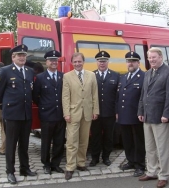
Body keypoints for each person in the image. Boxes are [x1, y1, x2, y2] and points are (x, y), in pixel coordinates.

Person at [0, 44, 37, 184]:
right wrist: (4, 108)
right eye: (19, 55)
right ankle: (10, 172)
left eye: (24, 55)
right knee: (11, 145)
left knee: (24, 144)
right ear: (13, 57)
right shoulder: (5, 71)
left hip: (26, 114)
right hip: (12, 114)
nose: (22, 57)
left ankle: (24, 168)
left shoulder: (30, 71)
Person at [137, 47, 169, 188]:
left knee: (163, 148)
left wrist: (167, 114)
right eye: (149, 58)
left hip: (161, 117)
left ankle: (164, 175)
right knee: (150, 148)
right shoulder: (148, 73)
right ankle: (152, 171)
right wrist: (140, 111)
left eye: (154, 57)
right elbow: (144, 94)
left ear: (161, 57)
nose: (152, 60)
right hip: (147, 116)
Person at [62, 52, 99, 180]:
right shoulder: (67, 76)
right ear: (72, 63)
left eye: (79, 61)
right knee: (72, 141)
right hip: (73, 113)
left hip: (88, 113)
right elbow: (65, 97)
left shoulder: (92, 75)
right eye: (75, 62)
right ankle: (70, 167)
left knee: (84, 140)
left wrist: (96, 110)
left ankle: (81, 163)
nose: (77, 64)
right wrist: (66, 113)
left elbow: (95, 94)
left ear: (83, 62)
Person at [33, 50, 66, 174]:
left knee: (59, 142)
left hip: (60, 114)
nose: (53, 62)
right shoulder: (40, 77)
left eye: (55, 60)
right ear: (46, 62)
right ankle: (46, 164)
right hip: (47, 115)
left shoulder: (62, 76)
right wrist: (44, 106)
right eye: (51, 60)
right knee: (46, 142)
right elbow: (35, 96)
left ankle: (56, 164)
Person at [116, 51, 145, 177]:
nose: (130, 63)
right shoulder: (123, 77)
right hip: (123, 115)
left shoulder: (144, 77)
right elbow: (118, 96)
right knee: (127, 141)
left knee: (138, 141)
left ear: (138, 63)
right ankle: (131, 161)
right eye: (128, 61)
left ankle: (140, 165)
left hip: (136, 115)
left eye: (133, 61)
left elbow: (143, 97)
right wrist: (117, 111)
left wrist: (141, 112)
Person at [89, 51, 120, 167]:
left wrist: (117, 111)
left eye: (104, 61)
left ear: (108, 62)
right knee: (95, 136)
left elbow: (118, 96)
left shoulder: (116, 75)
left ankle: (106, 157)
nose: (102, 63)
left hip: (110, 112)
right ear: (96, 62)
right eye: (99, 61)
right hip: (95, 113)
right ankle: (94, 158)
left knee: (108, 136)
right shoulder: (91, 75)